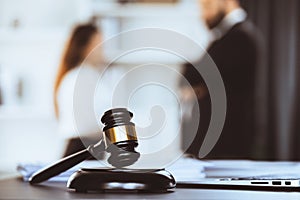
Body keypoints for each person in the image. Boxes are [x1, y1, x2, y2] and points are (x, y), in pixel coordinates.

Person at [181, 0, 264, 159]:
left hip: (228, 147)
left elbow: (192, 74)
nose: (203, 15)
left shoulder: (240, 37)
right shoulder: (226, 38)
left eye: (208, 6)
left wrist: (201, 84)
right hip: (218, 145)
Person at [53, 23, 110, 157]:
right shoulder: (85, 76)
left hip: (78, 147)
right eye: (99, 45)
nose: (103, 51)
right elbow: (99, 118)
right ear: (85, 47)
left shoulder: (72, 75)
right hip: (84, 147)